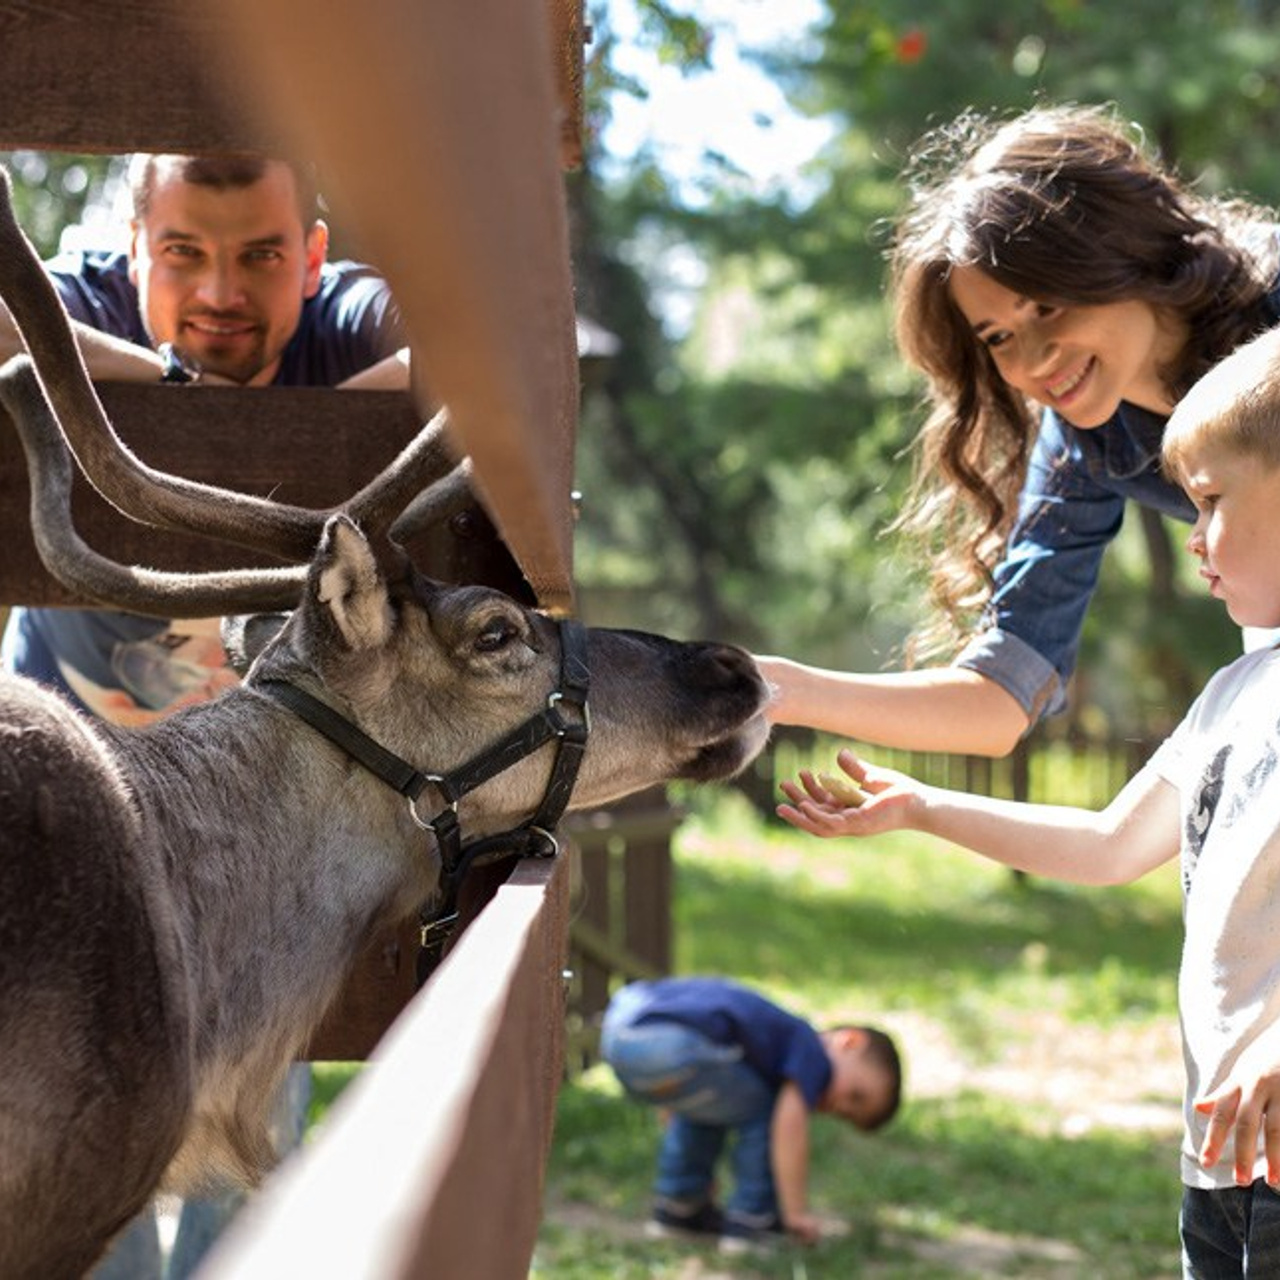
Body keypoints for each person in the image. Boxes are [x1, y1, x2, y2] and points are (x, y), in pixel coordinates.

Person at [778, 323, 1280, 1278]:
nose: (1193, 534)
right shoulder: (1233, 694)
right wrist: (925, 806)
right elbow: (1105, 843)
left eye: (1212, 500)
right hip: (1221, 1165)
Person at [0, 151, 409, 1279]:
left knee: (257, 1128)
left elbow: (492, 365)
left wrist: (205, 410)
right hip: (74, 814)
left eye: (261, 256)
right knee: (83, 1134)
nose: (220, 292)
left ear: (315, 256)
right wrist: (181, 396)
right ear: (129, 250)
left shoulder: (354, 312)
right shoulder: (70, 293)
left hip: (258, 826)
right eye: (181, 254)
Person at [757, 102, 1280, 758]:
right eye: (999, 336)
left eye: (1046, 306)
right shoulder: (1083, 444)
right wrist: (772, 687)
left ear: (1119, 251)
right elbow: (1000, 698)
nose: (1032, 362)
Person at [600, 975, 902, 1252]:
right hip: (674, 1041)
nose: (840, 1107)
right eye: (855, 1095)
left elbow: (681, 1105)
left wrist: (690, 1165)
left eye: (847, 1115)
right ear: (849, 1041)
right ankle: (752, 1220)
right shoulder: (809, 1047)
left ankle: (681, 1208)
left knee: (715, 1106)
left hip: (621, 1030)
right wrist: (795, 1213)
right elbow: (788, 1129)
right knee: (766, 1109)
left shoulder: (758, 1052)